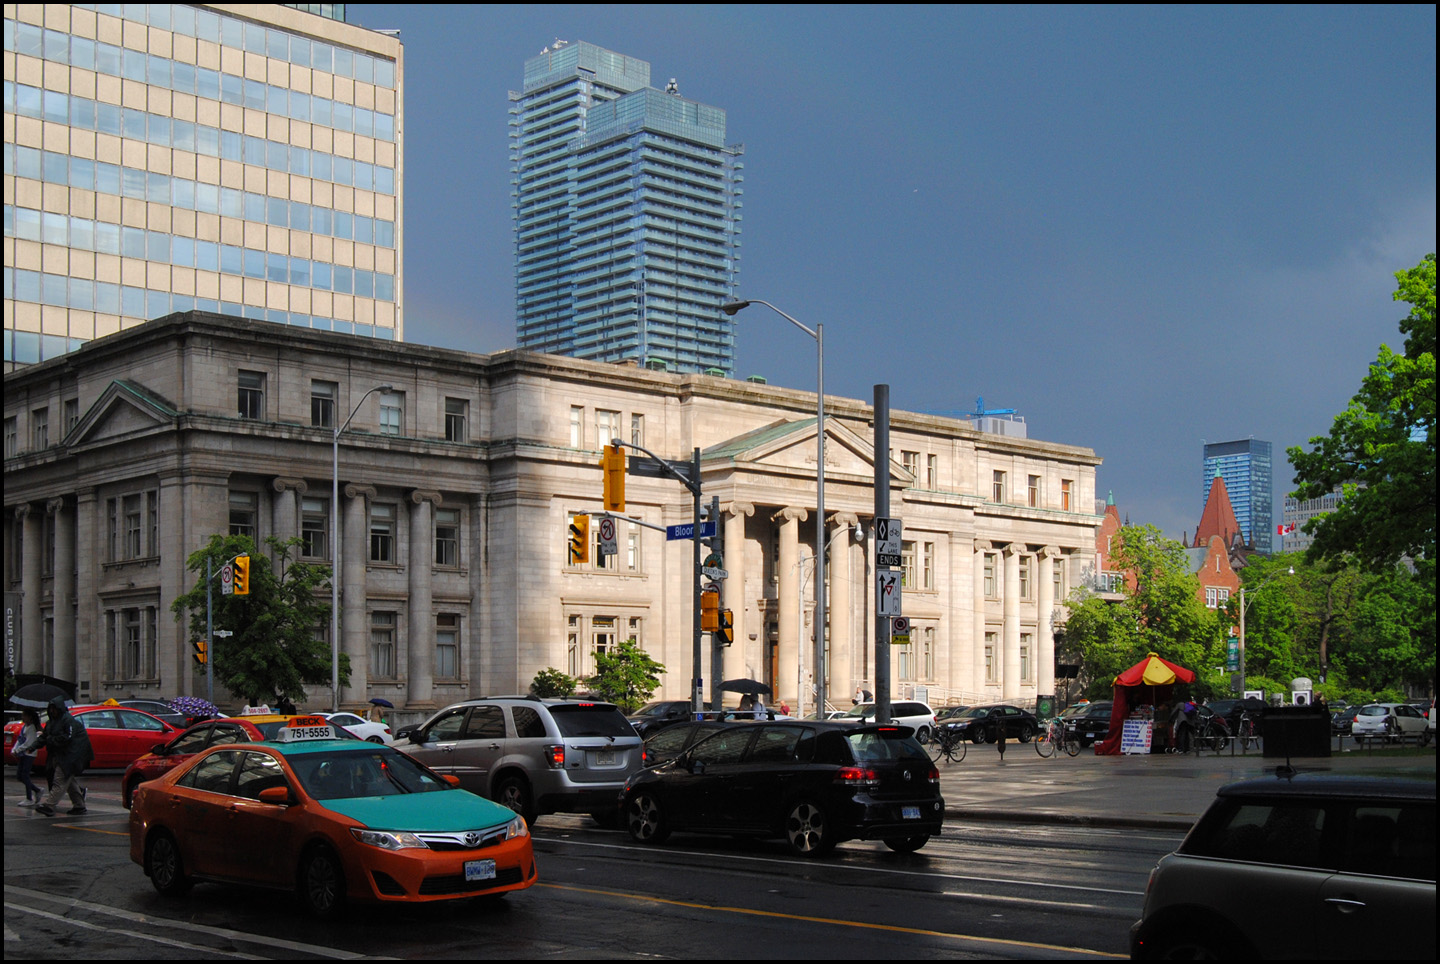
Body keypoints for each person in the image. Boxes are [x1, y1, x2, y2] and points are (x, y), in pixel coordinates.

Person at [33, 696, 94, 816]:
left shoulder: (68, 721)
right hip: (64, 755)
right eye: (50, 709)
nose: (52, 711)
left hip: (72, 755)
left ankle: (50, 805)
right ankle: (79, 805)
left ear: (59, 708)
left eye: (54, 709)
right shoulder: (53, 722)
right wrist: (32, 746)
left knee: (60, 780)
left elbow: (66, 738)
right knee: (69, 781)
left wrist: (51, 739)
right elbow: (45, 737)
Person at [14, 708, 43, 808]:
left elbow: (28, 743)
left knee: (25, 775)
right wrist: (14, 749)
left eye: (24, 715)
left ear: (29, 717)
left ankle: (29, 798)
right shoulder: (25, 727)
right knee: (20, 776)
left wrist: (18, 750)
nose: (22, 717)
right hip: (23, 753)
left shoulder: (32, 728)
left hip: (29, 754)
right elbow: (20, 740)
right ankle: (36, 790)